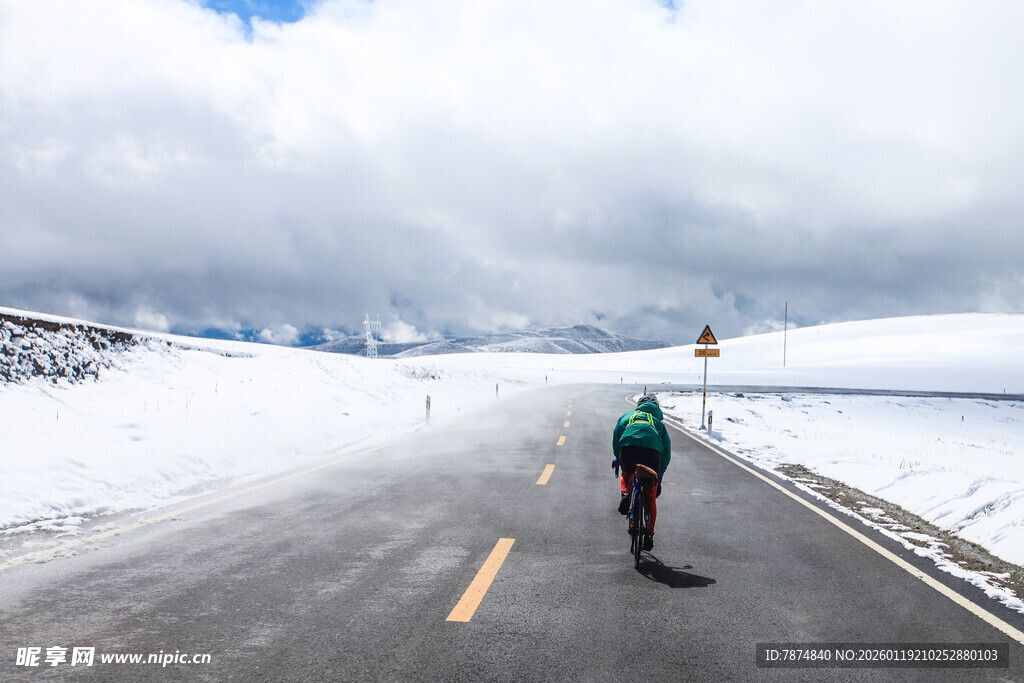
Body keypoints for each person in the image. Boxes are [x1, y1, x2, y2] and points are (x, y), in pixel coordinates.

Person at [612, 394, 671, 551]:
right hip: (652, 454)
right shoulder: (658, 424)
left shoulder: (627, 416)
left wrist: (618, 457)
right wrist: (660, 475)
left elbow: (616, 436)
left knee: (627, 473)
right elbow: (667, 453)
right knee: (650, 497)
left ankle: (626, 495)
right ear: (657, 408)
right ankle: (649, 535)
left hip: (628, 448)